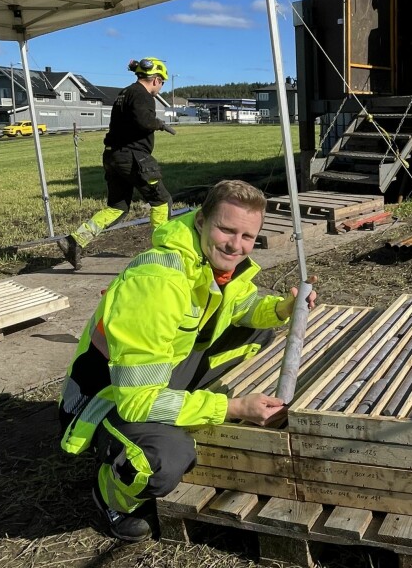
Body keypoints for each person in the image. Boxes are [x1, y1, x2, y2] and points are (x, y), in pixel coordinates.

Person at [58, 179, 317, 542]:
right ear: (200, 221)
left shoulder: (217, 264)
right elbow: (137, 402)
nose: (236, 245)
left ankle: (183, 405)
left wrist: (281, 309)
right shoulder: (157, 284)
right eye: (226, 230)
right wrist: (232, 407)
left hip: (154, 377)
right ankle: (112, 495)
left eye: (247, 236)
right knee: (165, 459)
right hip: (106, 399)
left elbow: (241, 306)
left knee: (259, 331)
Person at [58, 57, 177, 270]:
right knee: (161, 200)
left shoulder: (124, 93)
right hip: (134, 157)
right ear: (156, 79)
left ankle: (75, 240)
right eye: (162, 83)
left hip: (113, 156)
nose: (161, 88)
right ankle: (162, 254)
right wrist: (158, 123)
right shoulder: (143, 95)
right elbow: (143, 120)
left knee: (118, 207)